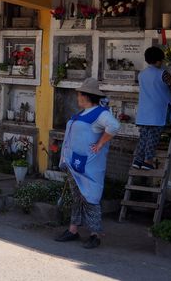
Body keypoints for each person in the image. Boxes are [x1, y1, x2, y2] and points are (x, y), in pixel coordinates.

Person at [56, 78, 120, 249]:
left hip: (89, 165)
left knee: (91, 197)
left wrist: (100, 144)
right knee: (77, 197)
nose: (77, 97)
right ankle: (73, 229)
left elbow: (114, 126)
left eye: (79, 94)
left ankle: (95, 234)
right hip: (74, 163)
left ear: (85, 96)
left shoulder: (100, 113)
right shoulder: (82, 113)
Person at [132, 46, 171, 170]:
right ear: (159, 61)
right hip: (158, 112)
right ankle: (148, 161)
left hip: (144, 113)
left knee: (144, 137)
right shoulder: (162, 73)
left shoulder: (142, 74)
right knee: (153, 137)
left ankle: (138, 160)